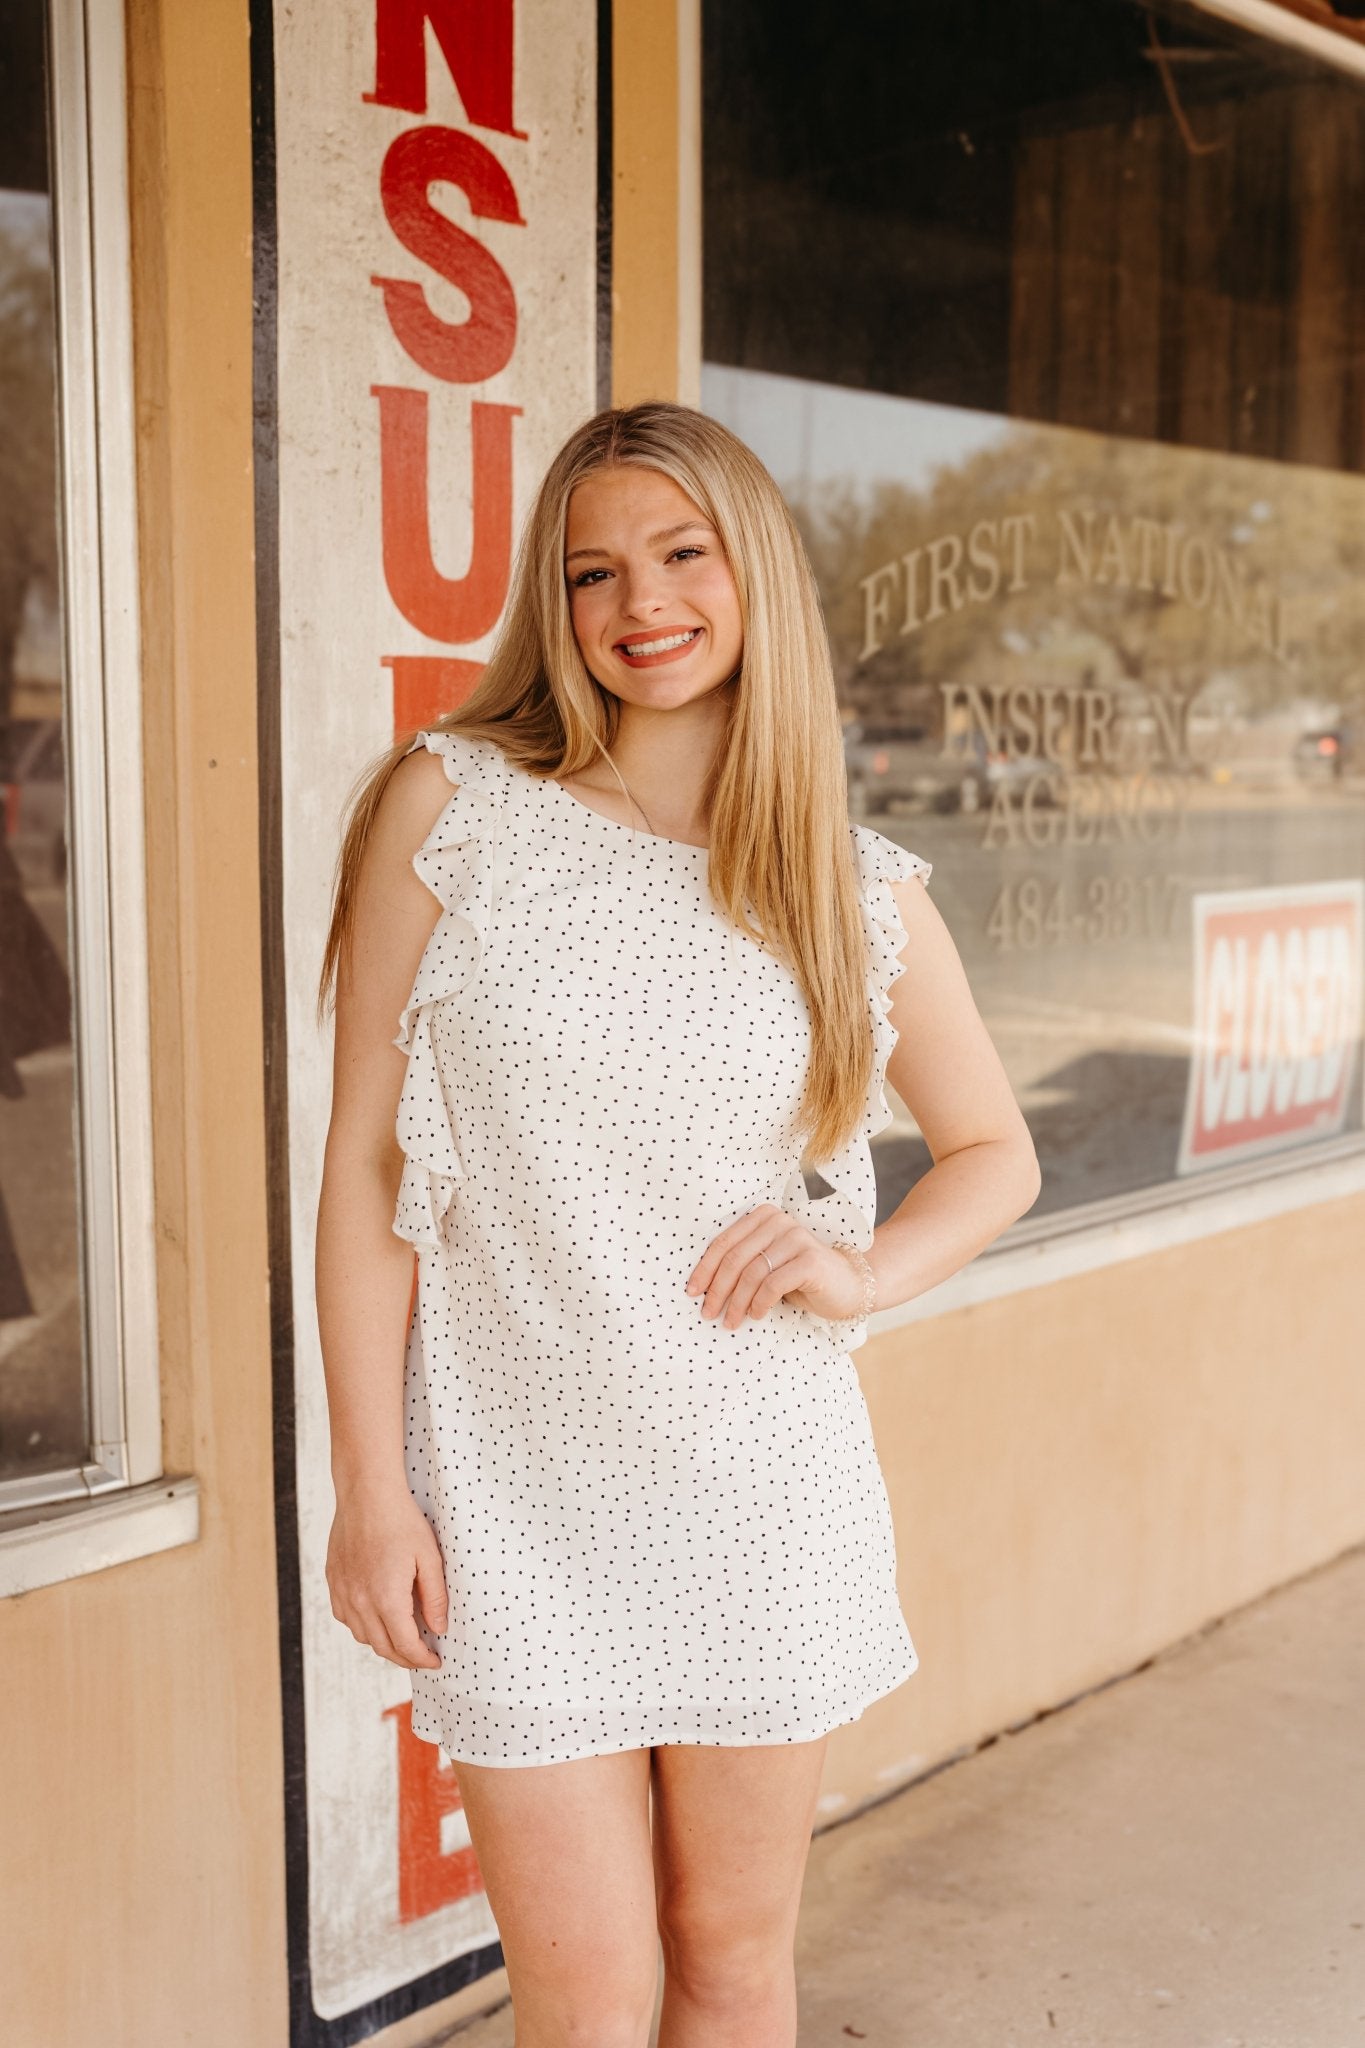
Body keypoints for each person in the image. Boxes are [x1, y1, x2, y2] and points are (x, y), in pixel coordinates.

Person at [315, 400, 1040, 2048]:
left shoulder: (856, 890)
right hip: (508, 1500)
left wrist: (862, 1269)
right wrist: (372, 1487)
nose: (637, 602)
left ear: (752, 569)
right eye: (589, 572)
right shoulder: (451, 810)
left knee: (729, 1971)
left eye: (679, 551)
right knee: (581, 1999)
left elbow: (994, 1148)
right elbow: (366, 1173)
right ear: (552, 609)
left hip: (758, 1495)